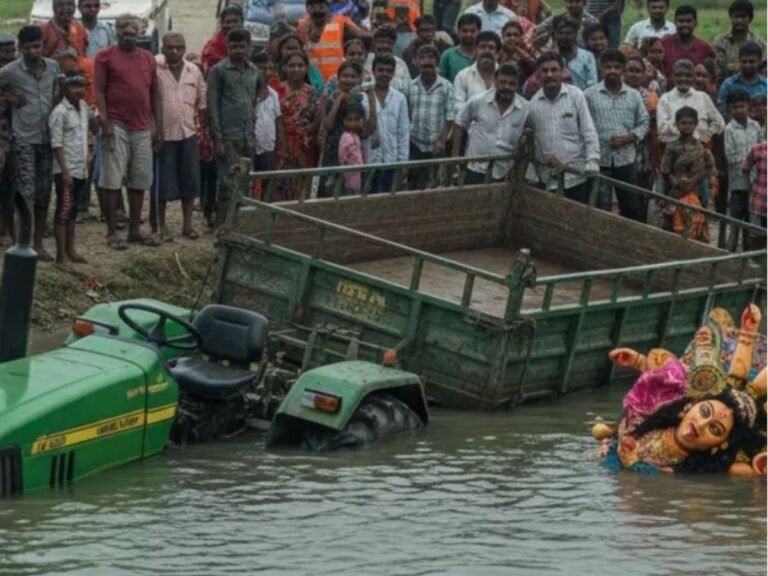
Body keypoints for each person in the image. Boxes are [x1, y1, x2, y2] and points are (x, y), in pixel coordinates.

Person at [95, 15, 161, 250]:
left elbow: (154, 93)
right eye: (123, 31)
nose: (128, 36)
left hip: (142, 126)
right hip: (116, 123)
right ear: (117, 33)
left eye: (132, 32)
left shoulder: (148, 58)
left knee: (139, 178)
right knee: (112, 178)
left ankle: (134, 230)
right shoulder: (105, 56)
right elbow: (100, 90)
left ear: (139, 33)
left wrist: (157, 127)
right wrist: (104, 118)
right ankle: (112, 232)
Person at [0, 26, 61, 260]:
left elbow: (56, 91)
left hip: (47, 139)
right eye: (27, 48)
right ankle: (20, 245)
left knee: (43, 193)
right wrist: (8, 97)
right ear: (20, 48)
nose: (33, 52)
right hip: (23, 139)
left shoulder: (52, 67)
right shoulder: (10, 71)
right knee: (24, 194)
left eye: (36, 47)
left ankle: (38, 244)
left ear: (42, 45)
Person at [526, 51, 600, 203]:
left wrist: (592, 161)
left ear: (562, 71)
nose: (549, 74)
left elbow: (588, 130)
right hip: (548, 178)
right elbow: (534, 141)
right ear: (538, 73)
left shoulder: (576, 95)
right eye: (544, 70)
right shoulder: (533, 104)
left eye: (554, 70)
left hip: (577, 175)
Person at [585, 49, 649, 220]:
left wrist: (630, 136)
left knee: (630, 207)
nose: (612, 71)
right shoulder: (589, 95)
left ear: (623, 69)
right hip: (599, 159)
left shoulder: (634, 96)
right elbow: (583, 125)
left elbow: (645, 123)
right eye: (608, 67)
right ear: (601, 68)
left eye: (617, 67)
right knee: (600, 207)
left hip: (626, 159)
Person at [153, 32, 206, 241]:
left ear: (185, 48)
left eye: (179, 47)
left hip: (188, 132)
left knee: (190, 181)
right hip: (164, 135)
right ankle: (161, 226)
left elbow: (202, 102)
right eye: (170, 47)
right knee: (162, 183)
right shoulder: (154, 67)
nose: (175, 51)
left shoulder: (194, 71)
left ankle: (187, 226)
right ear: (163, 48)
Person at [207, 28, 259, 226]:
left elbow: (254, 101)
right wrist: (218, 138)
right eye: (233, 46)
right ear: (227, 47)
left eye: (241, 46)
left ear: (248, 47)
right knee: (227, 184)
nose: (237, 50)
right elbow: (213, 107)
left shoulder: (253, 70)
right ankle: (223, 229)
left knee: (245, 183)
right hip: (228, 137)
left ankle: (240, 226)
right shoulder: (218, 71)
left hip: (248, 136)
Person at [453, 62, 530, 184]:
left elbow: (528, 139)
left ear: (518, 85)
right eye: (503, 82)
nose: (506, 87)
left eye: (512, 84)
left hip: (504, 173)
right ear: (495, 81)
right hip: (475, 169)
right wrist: (456, 157)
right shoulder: (478, 101)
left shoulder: (525, 108)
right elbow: (459, 122)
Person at [48, 71, 95, 263]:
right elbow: (56, 144)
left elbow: (93, 124)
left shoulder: (83, 108)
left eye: (82, 86)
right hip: (65, 169)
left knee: (73, 211)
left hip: (80, 167)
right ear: (65, 88)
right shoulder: (59, 112)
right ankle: (61, 257)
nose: (79, 90)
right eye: (74, 86)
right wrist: (65, 171)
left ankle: (70, 250)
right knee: (63, 210)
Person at [660, 107, 716, 242]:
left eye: (691, 123)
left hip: (698, 188)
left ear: (696, 124)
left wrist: (707, 183)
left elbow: (708, 169)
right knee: (675, 219)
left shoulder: (700, 146)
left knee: (698, 218)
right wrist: (674, 179)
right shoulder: (672, 146)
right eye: (684, 123)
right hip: (678, 189)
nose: (687, 126)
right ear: (677, 124)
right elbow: (665, 169)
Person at [321, 62, 376, 195]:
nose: (349, 80)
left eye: (353, 76)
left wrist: (372, 98)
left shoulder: (360, 100)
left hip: (353, 156)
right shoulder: (332, 97)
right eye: (345, 76)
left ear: (359, 80)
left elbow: (369, 129)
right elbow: (328, 125)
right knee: (331, 194)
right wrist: (339, 99)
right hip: (333, 155)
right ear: (338, 78)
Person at [276, 51, 323, 201]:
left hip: (306, 147)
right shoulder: (277, 91)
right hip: (281, 146)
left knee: (303, 189)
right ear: (284, 68)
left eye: (300, 65)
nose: (296, 69)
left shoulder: (313, 93)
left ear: (306, 68)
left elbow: (317, 122)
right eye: (291, 65)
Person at [408, 45, 454, 189]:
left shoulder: (446, 86)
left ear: (437, 62)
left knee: (434, 186)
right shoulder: (410, 86)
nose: (426, 62)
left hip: (437, 146)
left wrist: (441, 142)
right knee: (414, 185)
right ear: (416, 61)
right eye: (422, 57)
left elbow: (450, 117)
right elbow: (407, 116)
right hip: (414, 145)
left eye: (431, 58)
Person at [724, 90, 762, 251]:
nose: (739, 110)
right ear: (730, 109)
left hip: (756, 183)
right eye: (735, 107)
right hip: (738, 182)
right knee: (736, 218)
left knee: (751, 218)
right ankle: (730, 250)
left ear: (748, 107)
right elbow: (730, 155)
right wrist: (747, 163)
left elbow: (761, 149)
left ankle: (749, 252)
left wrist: (755, 165)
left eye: (742, 106)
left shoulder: (756, 126)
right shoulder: (729, 129)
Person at [298, 0, 369, 82]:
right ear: (307, 8)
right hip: (311, 81)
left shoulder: (340, 22)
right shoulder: (302, 26)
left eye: (321, 7)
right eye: (313, 7)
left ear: (328, 8)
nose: (317, 10)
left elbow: (365, 37)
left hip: (336, 81)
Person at [657, 60, 724, 145]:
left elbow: (719, 123)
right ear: (673, 77)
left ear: (693, 78)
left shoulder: (703, 97)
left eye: (688, 75)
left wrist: (706, 135)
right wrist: (686, 137)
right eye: (679, 75)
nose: (683, 79)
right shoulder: (665, 99)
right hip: (675, 149)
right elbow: (662, 128)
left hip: (700, 147)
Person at [368, 54, 409, 193]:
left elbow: (403, 132)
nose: (384, 74)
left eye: (388, 71)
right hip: (368, 161)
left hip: (392, 161)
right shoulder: (363, 96)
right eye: (380, 70)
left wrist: (403, 163)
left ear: (393, 73)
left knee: (389, 200)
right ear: (373, 71)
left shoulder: (399, 98)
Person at [41, 0, 93, 104]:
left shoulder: (78, 28)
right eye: (61, 4)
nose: (66, 8)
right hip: (52, 81)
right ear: (54, 8)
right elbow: (36, 60)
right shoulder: (44, 30)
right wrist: (61, 57)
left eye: (70, 4)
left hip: (78, 81)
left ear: (75, 7)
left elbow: (83, 55)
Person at [623, 55, 659, 191]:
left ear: (644, 74)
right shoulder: (618, 93)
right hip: (623, 147)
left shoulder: (651, 96)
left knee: (643, 190)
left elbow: (652, 124)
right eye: (630, 70)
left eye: (638, 71)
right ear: (624, 72)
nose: (634, 74)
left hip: (645, 151)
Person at [251, 51, 283, 200]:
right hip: (250, 145)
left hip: (268, 145)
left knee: (267, 181)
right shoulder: (246, 92)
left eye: (269, 68)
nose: (267, 72)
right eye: (262, 68)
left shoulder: (273, 94)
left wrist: (280, 144)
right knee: (249, 181)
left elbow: (277, 120)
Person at [713, 1, 766, 85]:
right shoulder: (720, 42)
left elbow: (763, 68)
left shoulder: (759, 42)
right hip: (727, 86)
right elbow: (720, 70)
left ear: (750, 18)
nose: (739, 20)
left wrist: (732, 67)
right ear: (731, 18)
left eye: (743, 16)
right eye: (736, 17)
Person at [660, 5, 715, 85]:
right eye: (681, 21)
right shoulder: (664, 44)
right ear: (675, 22)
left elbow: (712, 77)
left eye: (689, 21)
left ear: (695, 23)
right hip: (668, 94)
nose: (685, 24)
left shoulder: (705, 48)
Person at [453, 31, 500, 115]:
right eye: (482, 47)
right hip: (470, 126)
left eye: (491, 48)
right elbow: (458, 107)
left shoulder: (504, 76)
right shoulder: (463, 76)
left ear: (497, 53)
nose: (487, 51)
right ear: (475, 50)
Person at [717, 42, 767, 117]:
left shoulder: (765, 85)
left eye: (751, 61)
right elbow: (721, 111)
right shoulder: (728, 84)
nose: (747, 65)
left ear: (759, 62)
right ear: (739, 61)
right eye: (744, 62)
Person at [0, 33, 16, 246]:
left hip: (15, 136)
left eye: (13, 51)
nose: (10, 55)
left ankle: (6, 230)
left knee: (9, 185)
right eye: (5, 51)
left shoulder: (17, 74)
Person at [552, 15, 597, 91]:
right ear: (555, 34)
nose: (565, 36)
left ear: (576, 34)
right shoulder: (549, 58)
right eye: (561, 33)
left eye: (569, 33)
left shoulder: (587, 56)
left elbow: (592, 84)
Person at [534, 0, 599, 49]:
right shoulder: (556, 20)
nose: (574, 5)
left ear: (584, 3)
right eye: (570, 2)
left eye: (577, 2)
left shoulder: (592, 22)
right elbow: (536, 32)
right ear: (565, 3)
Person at [367, 25, 412, 93]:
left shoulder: (401, 65)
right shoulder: (366, 62)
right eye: (381, 42)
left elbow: (408, 92)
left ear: (393, 44)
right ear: (375, 43)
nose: (385, 46)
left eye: (389, 43)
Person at [201, 4, 243, 75]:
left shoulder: (249, 41)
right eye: (228, 22)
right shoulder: (212, 47)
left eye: (235, 21)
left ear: (242, 22)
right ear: (222, 24)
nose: (231, 25)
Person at [438, 14, 481, 83]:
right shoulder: (448, 55)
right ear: (458, 32)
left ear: (479, 32)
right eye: (464, 31)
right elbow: (441, 81)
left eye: (472, 31)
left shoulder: (483, 55)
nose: (468, 34)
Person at [337, 101, 367, 194]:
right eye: (349, 120)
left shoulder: (356, 136)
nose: (353, 124)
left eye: (357, 119)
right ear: (344, 121)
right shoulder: (347, 138)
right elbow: (342, 158)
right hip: (350, 179)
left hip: (357, 177)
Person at [499, 20, 535, 84]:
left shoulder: (527, 56)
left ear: (521, 38)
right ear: (503, 37)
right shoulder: (497, 55)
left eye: (515, 35)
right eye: (508, 35)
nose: (512, 38)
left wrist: (526, 58)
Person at [743, 140, 767, 229]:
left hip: (757, 199)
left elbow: (745, 168)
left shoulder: (758, 148)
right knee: (756, 236)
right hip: (758, 200)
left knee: (756, 237)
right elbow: (745, 168)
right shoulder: (758, 148)